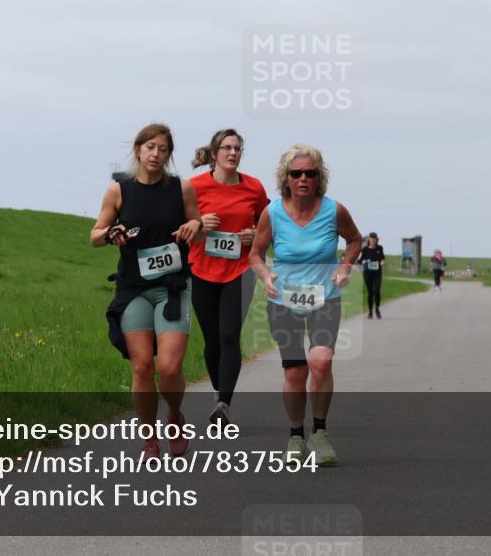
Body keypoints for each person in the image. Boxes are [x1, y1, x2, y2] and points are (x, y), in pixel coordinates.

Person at [91, 123, 202, 459]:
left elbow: (198, 231)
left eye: (163, 149)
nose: (156, 154)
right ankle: (149, 439)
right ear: (138, 149)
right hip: (134, 289)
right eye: (150, 147)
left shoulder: (181, 189)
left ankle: (175, 416)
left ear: (169, 155)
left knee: (168, 368)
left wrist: (194, 225)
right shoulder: (118, 191)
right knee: (141, 367)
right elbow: (95, 235)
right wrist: (111, 233)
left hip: (172, 287)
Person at [250, 144, 362, 466]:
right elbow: (255, 254)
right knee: (296, 371)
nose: (303, 179)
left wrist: (344, 266)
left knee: (321, 361)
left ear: (319, 178)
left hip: (325, 297)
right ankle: (296, 435)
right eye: (296, 173)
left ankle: (320, 432)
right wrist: (265, 276)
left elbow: (355, 240)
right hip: (283, 299)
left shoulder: (334, 210)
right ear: (285, 178)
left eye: (310, 174)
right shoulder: (272, 213)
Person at [188, 129, 269, 425]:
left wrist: (255, 235)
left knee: (229, 335)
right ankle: (217, 392)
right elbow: (179, 225)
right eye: (226, 148)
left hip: (240, 270)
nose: (233, 153)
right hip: (202, 269)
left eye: (237, 148)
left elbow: (268, 223)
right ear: (214, 153)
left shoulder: (254, 187)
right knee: (212, 339)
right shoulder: (194, 187)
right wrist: (198, 224)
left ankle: (224, 404)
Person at [358, 232, 385, 319]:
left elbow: (382, 257)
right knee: (370, 293)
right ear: (369, 239)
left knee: (377, 291)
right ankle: (370, 311)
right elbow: (360, 260)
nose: (373, 240)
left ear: (376, 239)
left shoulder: (380, 248)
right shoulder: (365, 249)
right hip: (368, 274)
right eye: (371, 238)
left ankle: (377, 309)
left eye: (374, 239)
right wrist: (363, 261)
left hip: (377, 273)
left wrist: (382, 262)